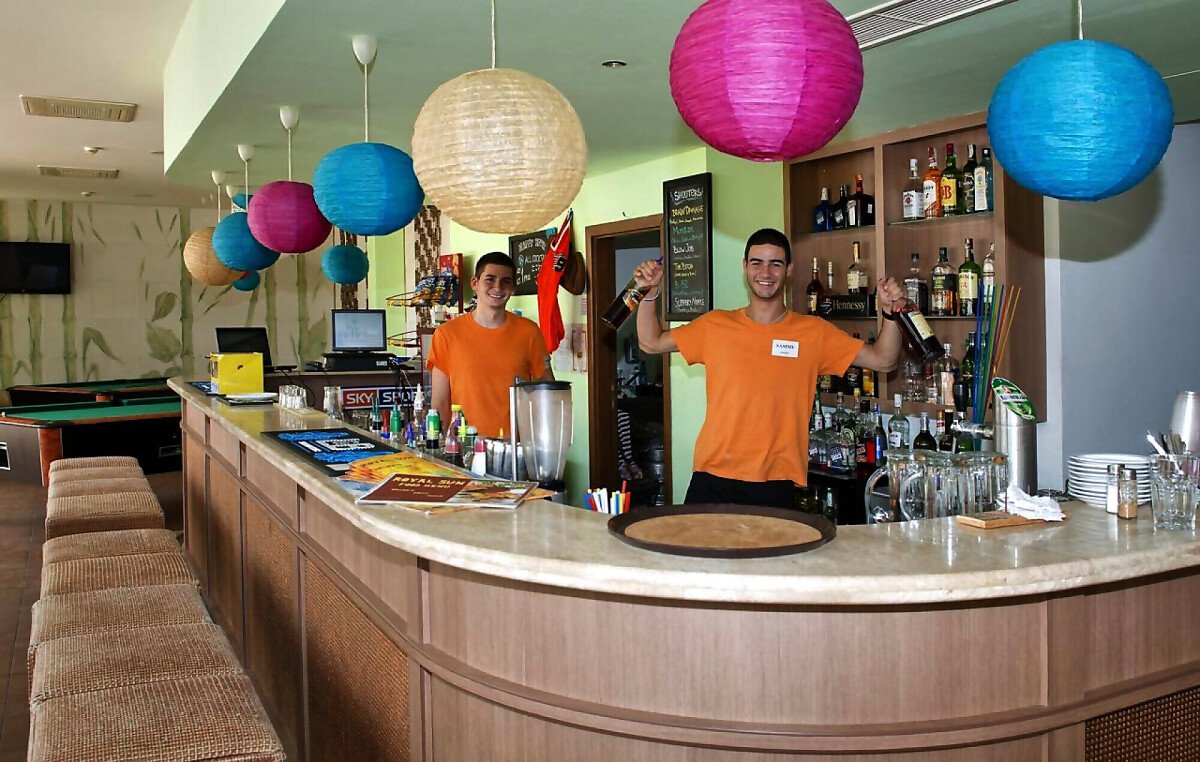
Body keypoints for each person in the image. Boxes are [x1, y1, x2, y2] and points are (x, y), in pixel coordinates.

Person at [634, 228, 905, 508]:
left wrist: (890, 313)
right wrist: (649, 293)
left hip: (775, 483)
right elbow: (650, 342)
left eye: (776, 263)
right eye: (757, 262)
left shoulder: (813, 332)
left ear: (789, 269)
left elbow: (884, 360)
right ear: (745, 266)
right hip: (712, 478)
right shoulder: (715, 325)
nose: (766, 272)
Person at [428, 251, 553, 439]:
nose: (498, 287)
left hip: (516, 447)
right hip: (465, 445)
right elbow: (440, 403)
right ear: (475, 283)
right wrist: (438, 446)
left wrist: (543, 442)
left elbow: (548, 393)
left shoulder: (529, 332)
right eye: (490, 279)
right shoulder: (446, 334)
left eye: (506, 281)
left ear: (513, 288)